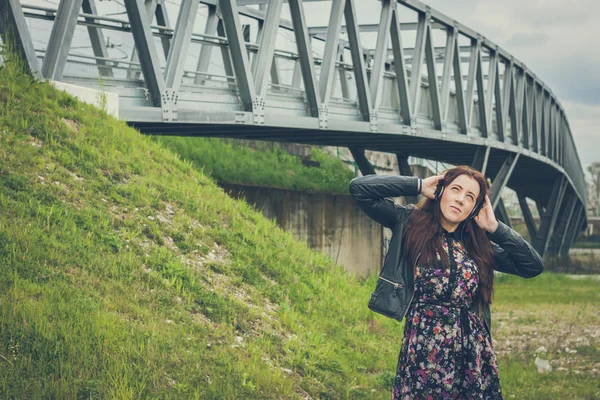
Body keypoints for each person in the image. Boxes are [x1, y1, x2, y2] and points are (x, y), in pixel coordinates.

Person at [349, 165, 544, 400]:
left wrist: (495, 228)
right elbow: (359, 189)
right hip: (424, 349)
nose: (461, 199)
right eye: (456, 189)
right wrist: (418, 185)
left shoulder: (479, 245)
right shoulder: (408, 222)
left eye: (470, 197)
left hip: (472, 351)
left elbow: (532, 266)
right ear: (441, 191)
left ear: (475, 208)